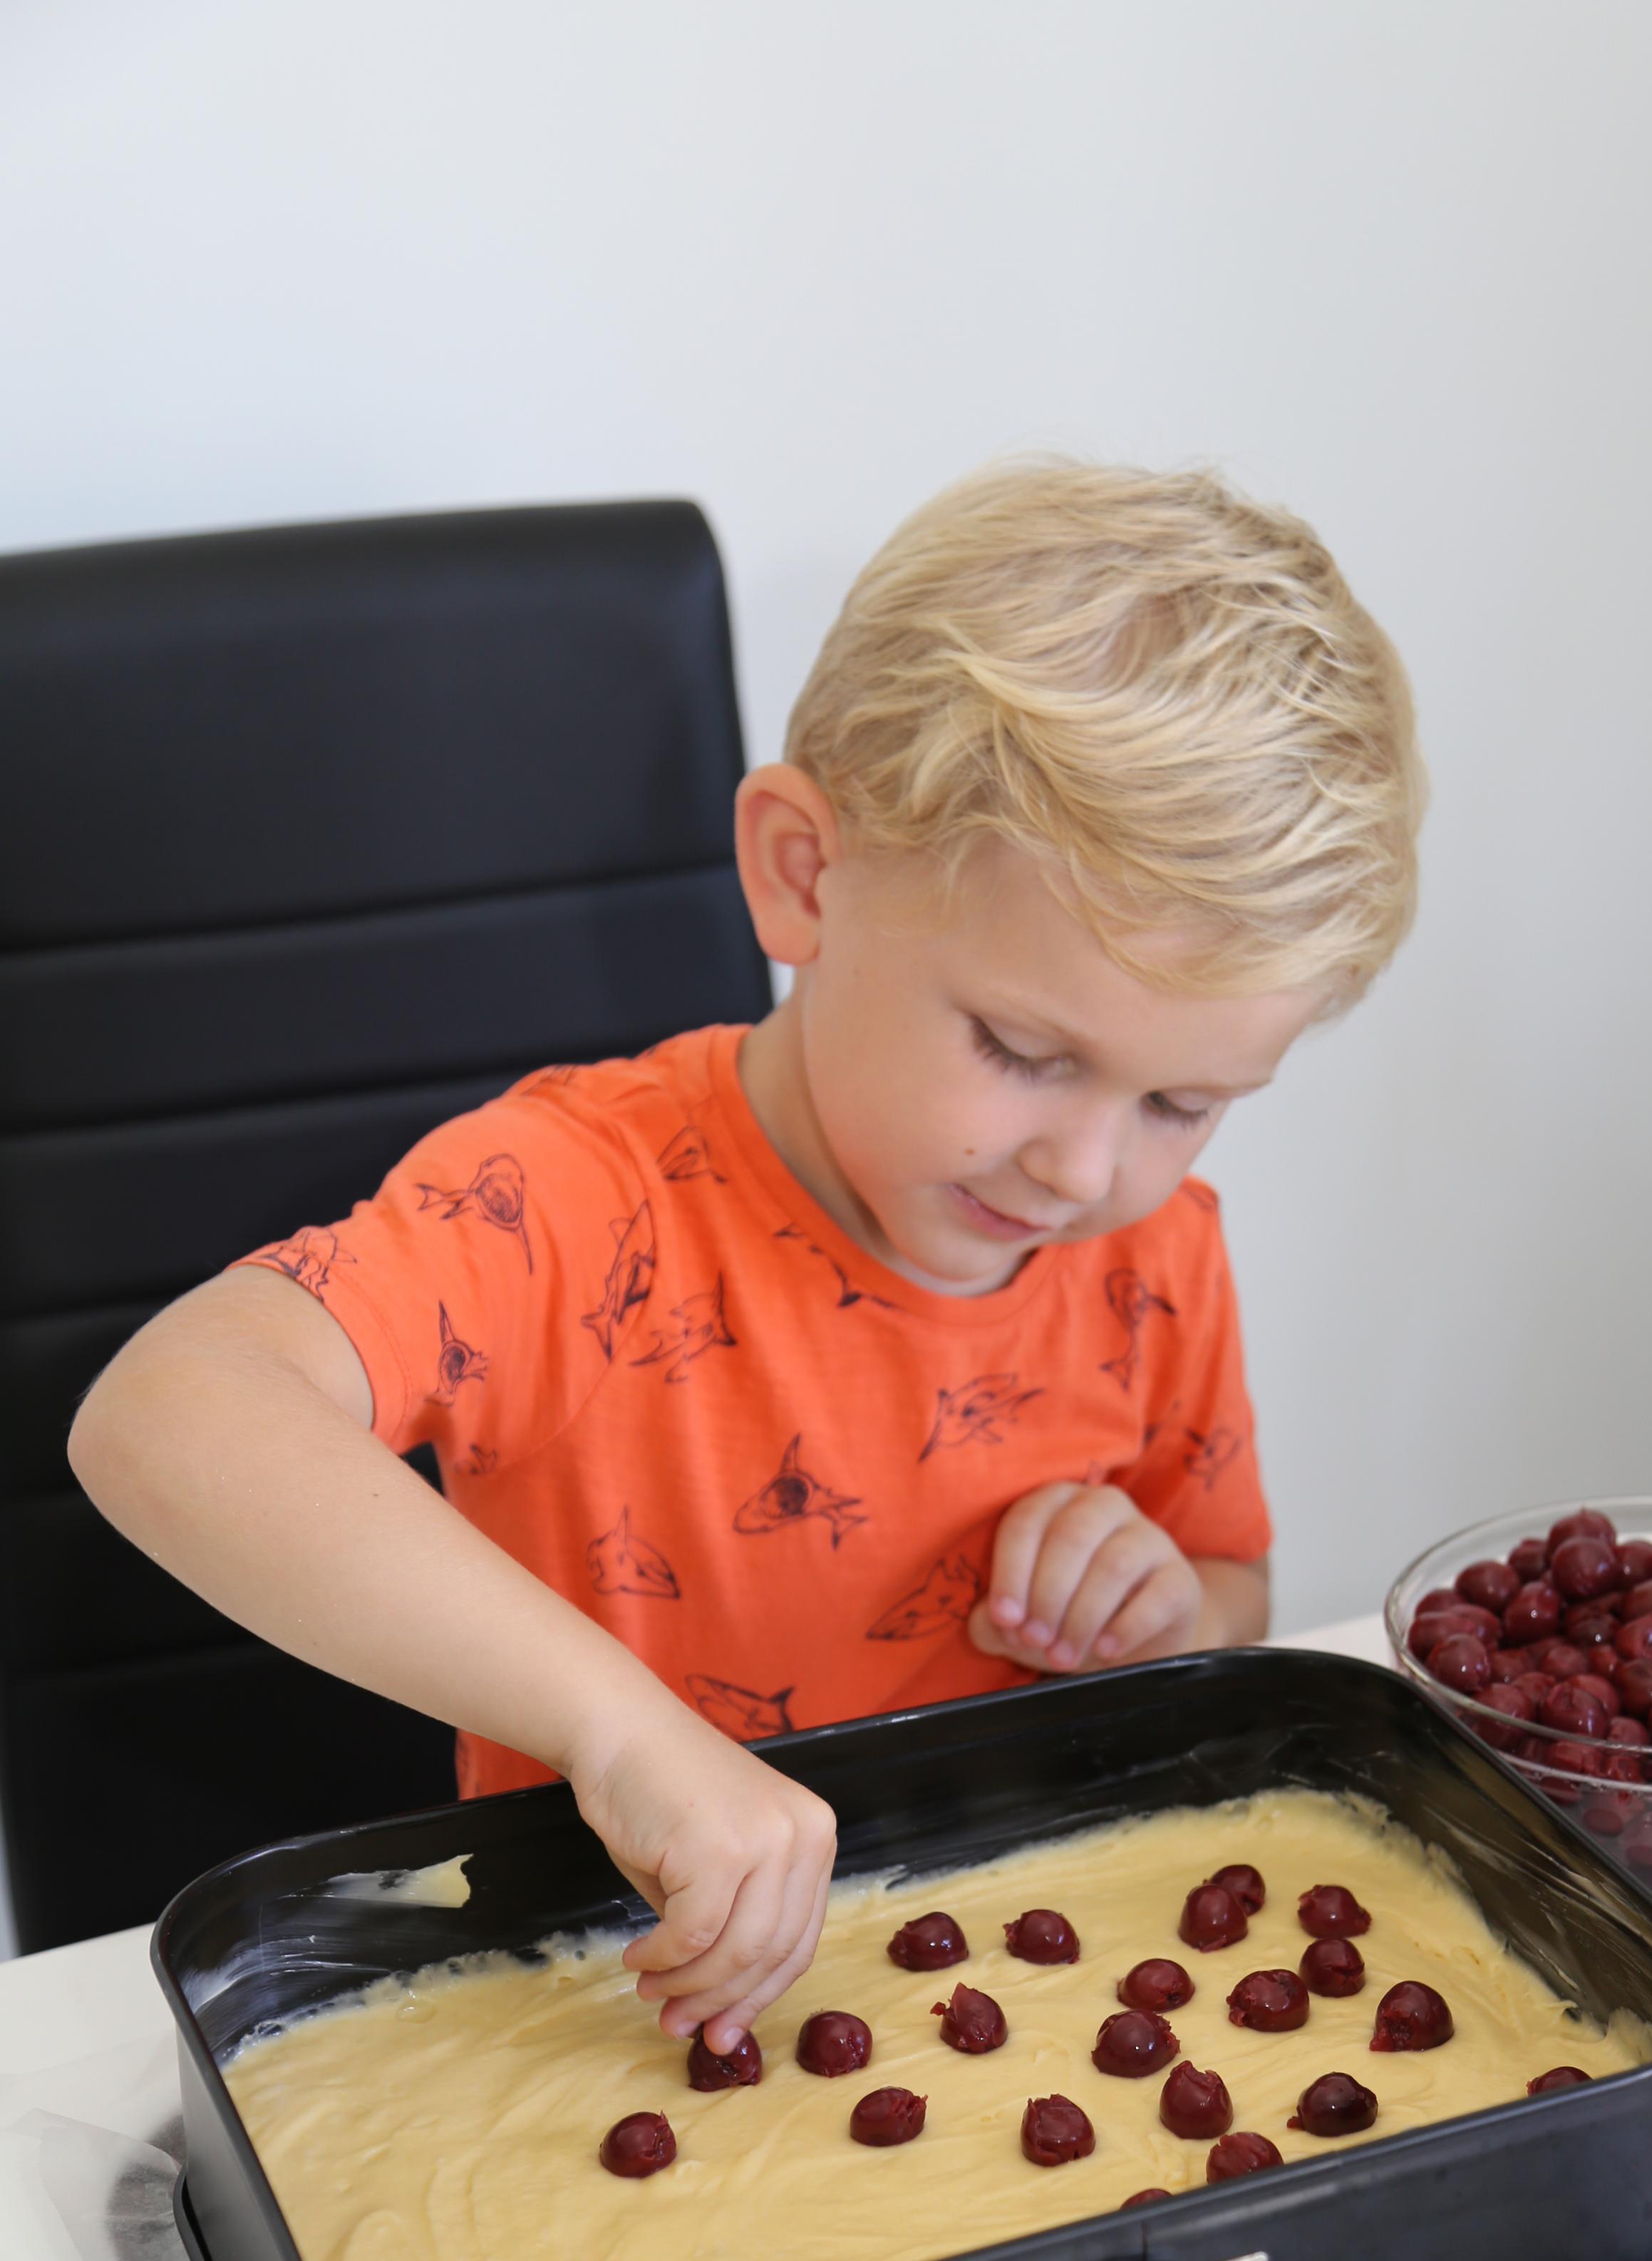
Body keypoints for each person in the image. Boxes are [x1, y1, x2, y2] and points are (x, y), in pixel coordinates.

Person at [69, 459, 1423, 2059]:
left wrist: (1160, 1614)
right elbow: (165, 1412)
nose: (1083, 1168)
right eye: (1021, 1050)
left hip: (1027, 2004)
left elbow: (1230, 1593)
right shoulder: (574, 1205)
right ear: (800, 874)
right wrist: (617, 1731)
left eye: (1181, 1103)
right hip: (618, 2007)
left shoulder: (1154, 1253)